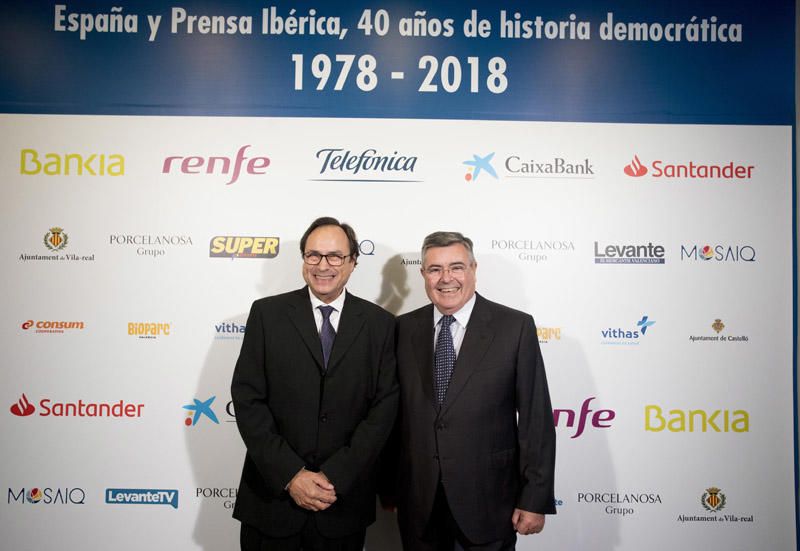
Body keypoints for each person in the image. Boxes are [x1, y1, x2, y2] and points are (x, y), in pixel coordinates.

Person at [231, 216, 398, 551]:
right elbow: (248, 400)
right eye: (314, 255)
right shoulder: (267, 314)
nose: (324, 265)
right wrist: (292, 475)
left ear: (353, 262)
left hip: (341, 506)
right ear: (304, 259)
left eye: (335, 256)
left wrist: (335, 476)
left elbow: (384, 409)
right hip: (271, 503)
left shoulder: (381, 325)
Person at [394, 231, 556, 551]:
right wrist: (388, 488)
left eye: (456, 267)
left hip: (489, 504)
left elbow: (536, 419)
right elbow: (392, 416)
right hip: (419, 506)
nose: (446, 279)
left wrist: (534, 498)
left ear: (473, 269)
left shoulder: (514, 327)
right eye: (435, 269)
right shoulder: (401, 328)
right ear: (423, 274)